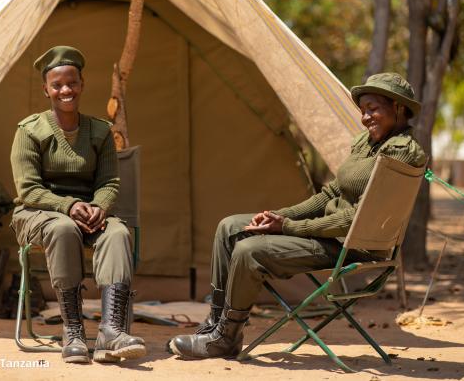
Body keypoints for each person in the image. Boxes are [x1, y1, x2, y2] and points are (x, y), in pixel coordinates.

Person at [168, 72, 426, 359]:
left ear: (399, 108)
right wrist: (277, 216)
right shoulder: (366, 143)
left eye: (374, 109)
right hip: (329, 236)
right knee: (229, 227)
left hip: (352, 246)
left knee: (248, 250)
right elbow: (329, 195)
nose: (365, 118)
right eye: (363, 110)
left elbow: (356, 219)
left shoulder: (402, 153)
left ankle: (226, 337)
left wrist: (288, 227)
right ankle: (215, 324)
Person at [10, 46, 146, 364]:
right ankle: (72, 330)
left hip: (89, 214)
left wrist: (100, 207)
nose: (65, 90)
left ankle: (111, 330)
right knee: (63, 229)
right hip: (38, 214)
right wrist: (69, 206)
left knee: (117, 233)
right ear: (46, 89)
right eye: (57, 85)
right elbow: (29, 189)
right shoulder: (30, 131)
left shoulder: (100, 132)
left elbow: (110, 182)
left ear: (82, 84)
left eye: (71, 83)